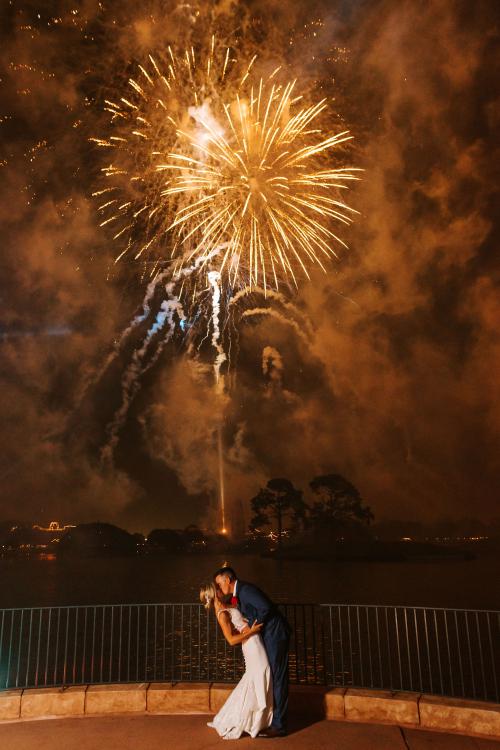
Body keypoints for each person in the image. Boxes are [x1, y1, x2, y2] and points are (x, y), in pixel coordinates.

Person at [213, 566, 291, 738]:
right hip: (266, 636)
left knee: (278, 677)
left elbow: (266, 608)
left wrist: (251, 626)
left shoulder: (246, 590)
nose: (219, 587)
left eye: (220, 583)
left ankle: (279, 725)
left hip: (275, 634)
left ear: (228, 580)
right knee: (272, 675)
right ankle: (271, 719)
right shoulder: (239, 594)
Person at [200, 582, 273, 739]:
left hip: (253, 640)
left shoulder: (225, 605)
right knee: (262, 672)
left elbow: (236, 624)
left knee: (254, 677)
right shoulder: (222, 613)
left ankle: (254, 719)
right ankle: (254, 721)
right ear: (215, 593)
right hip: (251, 644)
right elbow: (231, 640)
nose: (221, 589)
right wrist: (251, 630)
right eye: (218, 588)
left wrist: (245, 624)